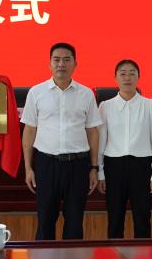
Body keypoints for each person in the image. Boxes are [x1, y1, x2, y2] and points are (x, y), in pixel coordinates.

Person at [21, 42, 101, 240]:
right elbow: (30, 130)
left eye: (66, 60)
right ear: (49, 63)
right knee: (45, 221)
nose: (61, 64)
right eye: (56, 60)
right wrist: (28, 168)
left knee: (75, 222)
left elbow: (92, 132)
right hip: (47, 164)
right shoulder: (36, 92)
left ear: (75, 64)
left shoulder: (86, 94)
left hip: (78, 165)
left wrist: (94, 167)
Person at [97, 59, 152, 239]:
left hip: (141, 166)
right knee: (114, 219)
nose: (127, 78)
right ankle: (113, 256)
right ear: (115, 77)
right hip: (114, 167)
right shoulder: (105, 106)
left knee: (142, 218)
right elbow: (101, 143)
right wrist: (100, 173)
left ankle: (143, 257)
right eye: (122, 73)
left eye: (132, 73)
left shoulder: (149, 105)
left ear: (138, 77)